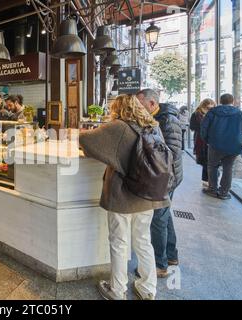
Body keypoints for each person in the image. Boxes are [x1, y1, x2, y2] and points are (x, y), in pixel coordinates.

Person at [80, 94, 170, 301]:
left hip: (123, 195)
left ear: (119, 108)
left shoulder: (118, 127)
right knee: (143, 241)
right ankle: (148, 289)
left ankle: (117, 290)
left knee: (119, 242)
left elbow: (85, 139)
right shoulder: (153, 125)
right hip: (148, 194)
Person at [137, 89, 182, 278]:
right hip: (165, 175)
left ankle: (159, 265)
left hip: (165, 177)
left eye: (140, 104)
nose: (137, 108)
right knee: (165, 216)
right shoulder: (160, 117)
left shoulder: (167, 120)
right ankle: (171, 256)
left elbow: (168, 153)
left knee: (158, 219)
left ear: (153, 104)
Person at [201, 94, 242, 200]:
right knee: (228, 168)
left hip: (215, 144)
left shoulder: (212, 112)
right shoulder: (241, 114)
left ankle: (212, 189)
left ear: (220, 101)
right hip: (233, 145)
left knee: (212, 166)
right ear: (232, 101)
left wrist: (207, 140)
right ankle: (224, 192)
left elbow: (204, 128)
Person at [190, 98, 216, 187]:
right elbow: (192, 126)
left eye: (211, 108)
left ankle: (208, 179)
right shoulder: (196, 114)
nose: (209, 109)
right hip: (200, 139)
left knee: (209, 159)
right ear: (203, 106)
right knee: (204, 159)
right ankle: (207, 180)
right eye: (207, 107)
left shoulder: (214, 114)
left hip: (211, 139)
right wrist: (203, 127)